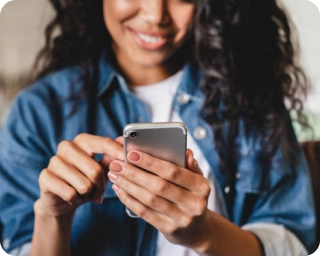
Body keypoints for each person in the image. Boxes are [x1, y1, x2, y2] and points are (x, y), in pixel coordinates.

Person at [0, 0, 316, 255]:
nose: (155, 14)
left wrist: (204, 233)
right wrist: (53, 215)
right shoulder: (39, 111)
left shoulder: (252, 97)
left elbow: (293, 243)